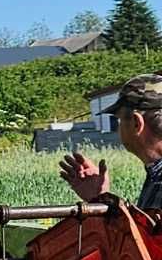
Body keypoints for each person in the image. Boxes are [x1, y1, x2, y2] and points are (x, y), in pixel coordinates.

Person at [60, 75, 162, 216]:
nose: (117, 129)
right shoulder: (155, 174)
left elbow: (145, 237)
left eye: (119, 120)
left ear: (136, 123)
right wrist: (99, 197)